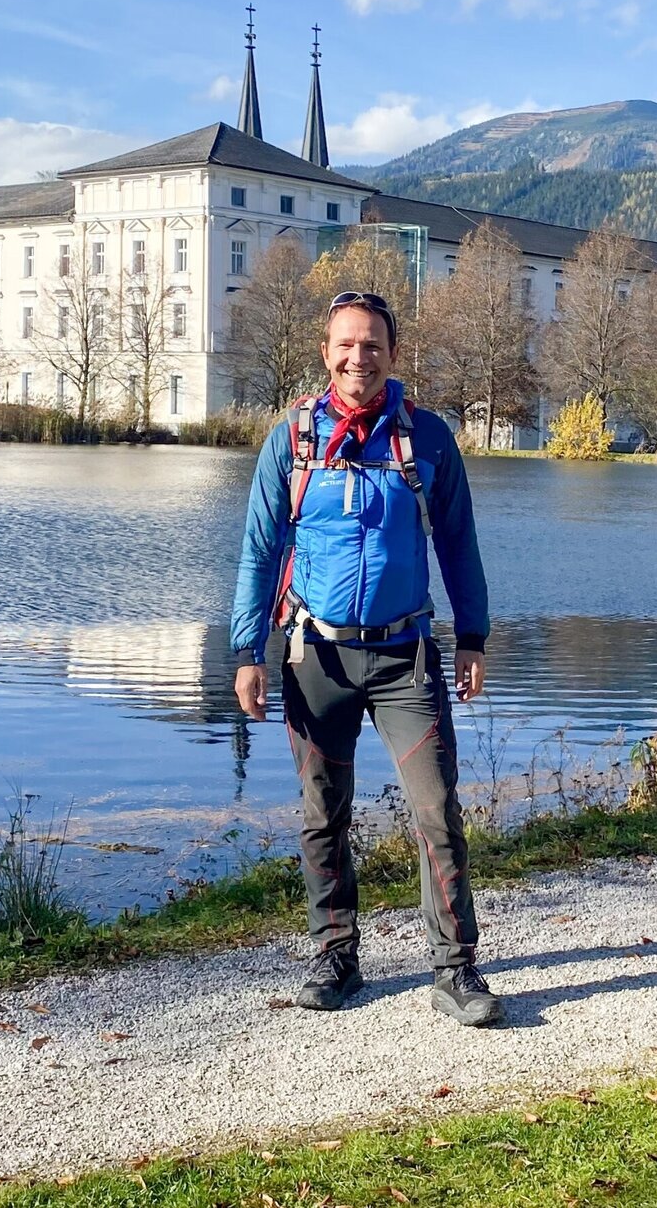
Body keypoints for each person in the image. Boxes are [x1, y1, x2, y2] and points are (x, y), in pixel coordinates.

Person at [229, 291, 502, 1027]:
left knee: (437, 808)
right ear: (326, 353)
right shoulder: (292, 440)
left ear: (393, 353)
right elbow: (260, 551)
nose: (359, 357)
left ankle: (455, 970)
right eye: (346, 345)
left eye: (373, 345)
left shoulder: (429, 440)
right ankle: (336, 956)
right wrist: (248, 650)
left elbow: (458, 545)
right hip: (313, 655)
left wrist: (472, 636)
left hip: (404, 656)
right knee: (325, 812)